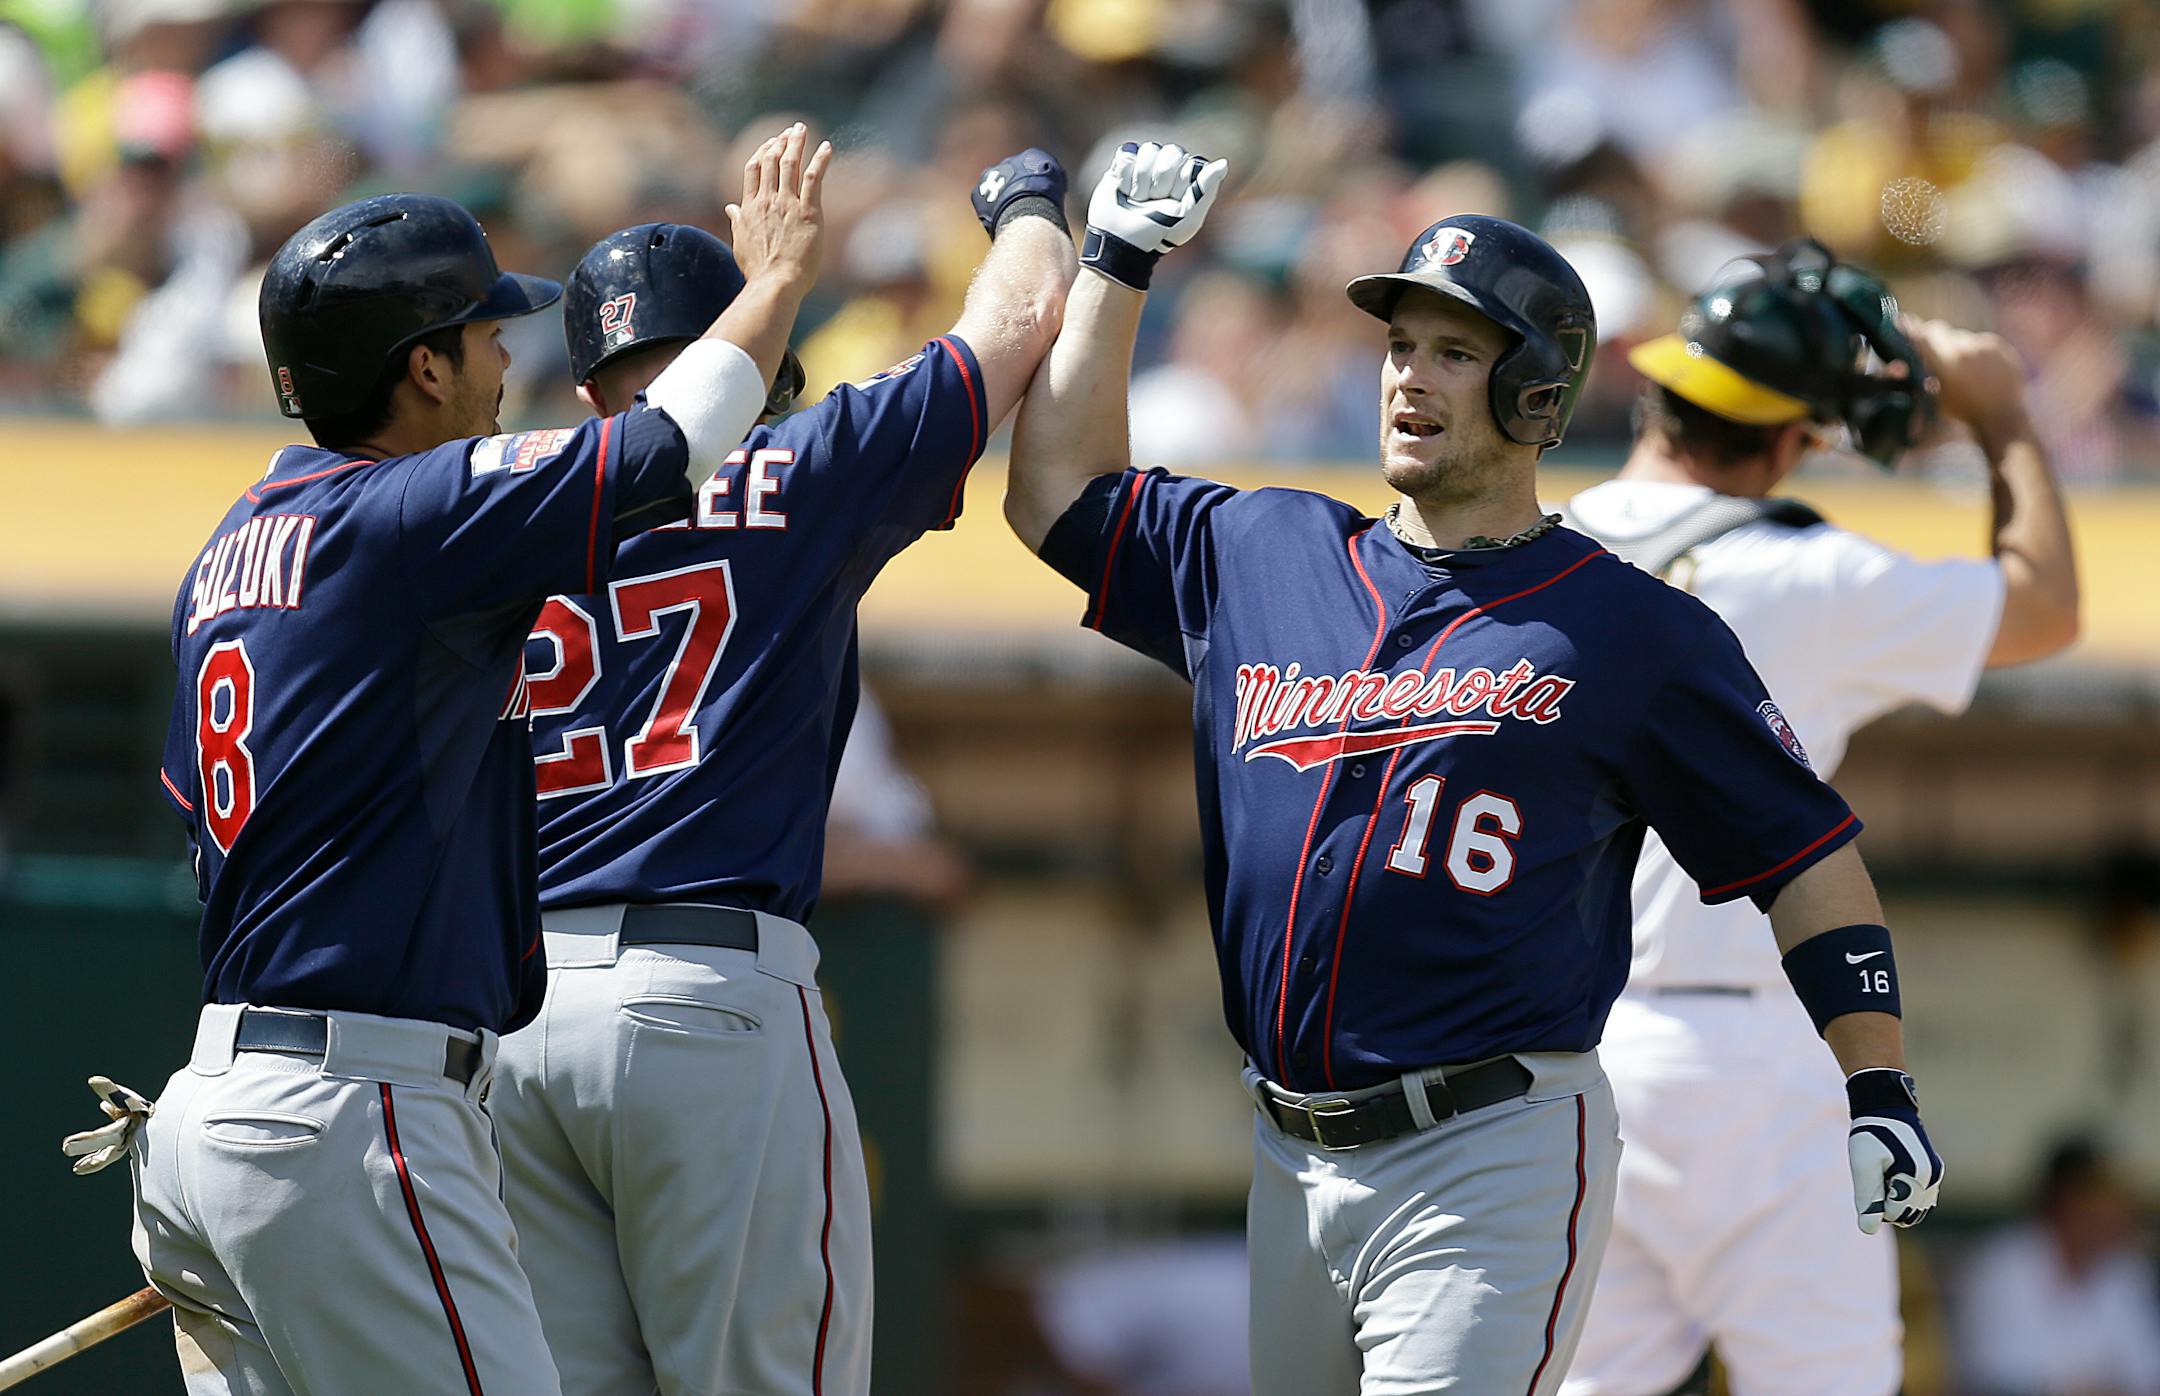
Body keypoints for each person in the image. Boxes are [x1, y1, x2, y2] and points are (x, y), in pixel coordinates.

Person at [1003, 144, 1944, 1395]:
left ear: (1539, 396)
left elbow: (1805, 855)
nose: (1411, 374)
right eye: (1402, 344)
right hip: (1291, 1153)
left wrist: (1875, 1077)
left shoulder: (1631, 629)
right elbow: (1054, 489)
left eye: (1457, 351)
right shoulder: (1266, 548)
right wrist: (1115, 262)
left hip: (1490, 1146)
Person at [104, 125, 824, 1396]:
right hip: (350, 1110)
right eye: (486, 334)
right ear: (421, 366)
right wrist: (769, 287)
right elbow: (667, 448)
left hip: (213, 1111)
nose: (508, 355)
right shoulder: (402, 515)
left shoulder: (228, 548)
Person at [488, 140, 1075, 1395]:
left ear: (589, 388)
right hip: (704, 991)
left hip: (511, 1015)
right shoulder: (796, 464)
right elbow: (1019, 319)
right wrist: (1026, 201)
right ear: (758, 362)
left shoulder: (500, 500)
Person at [1557, 239, 2079, 1396]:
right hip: (1753, 1056)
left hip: (1567, 1058)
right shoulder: (1809, 575)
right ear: (1794, 435)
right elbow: (2045, 607)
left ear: (1664, 385)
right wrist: (2003, 419)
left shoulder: (1545, 548)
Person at [1957, 1137, 2160, 1396]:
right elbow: (2003, 1380)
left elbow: (2147, 1377)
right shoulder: (2002, 1266)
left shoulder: (2127, 1272)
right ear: (2066, 1199)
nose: (2117, 1209)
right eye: (2101, 1194)